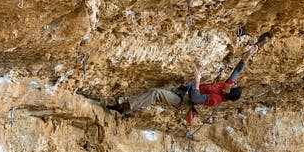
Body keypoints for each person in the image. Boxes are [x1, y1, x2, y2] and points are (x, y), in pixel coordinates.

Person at [106, 45, 258, 118]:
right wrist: (248, 56)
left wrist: (197, 81)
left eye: (230, 86)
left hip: (183, 100)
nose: (229, 83)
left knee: (156, 93)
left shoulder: (216, 99)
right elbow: (237, 71)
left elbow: (196, 98)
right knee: (154, 91)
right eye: (231, 83)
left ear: (228, 93)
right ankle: (125, 108)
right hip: (184, 90)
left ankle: (124, 107)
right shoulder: (227, 86)